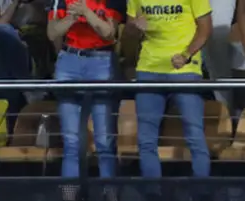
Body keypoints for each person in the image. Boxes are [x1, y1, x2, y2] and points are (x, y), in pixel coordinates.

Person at [126, 0, 213, 178]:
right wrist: (135, 27)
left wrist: (186, 55)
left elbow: (205, 29)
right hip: (148, 69)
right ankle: (153, 195)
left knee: (194, 134)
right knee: (146, 139)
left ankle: (201, 196)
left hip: (185, 71)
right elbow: (129, 33)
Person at [47, 0, 122, 178]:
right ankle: (70, 197)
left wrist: (86, 12)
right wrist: (73, 17)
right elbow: (52, 33)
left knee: (104, 140)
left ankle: (110, 197)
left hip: (101, 62)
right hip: (69, 61)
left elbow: (109, 33)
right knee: (71, 141)